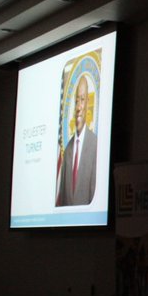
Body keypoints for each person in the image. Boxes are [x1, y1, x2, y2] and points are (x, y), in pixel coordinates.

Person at [56, 75, 97, 205]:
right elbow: (62, 199)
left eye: (82, 100)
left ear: (88, 103)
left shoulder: (96, 145)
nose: (78, 107)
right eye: (76, 101)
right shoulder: (67, 150)